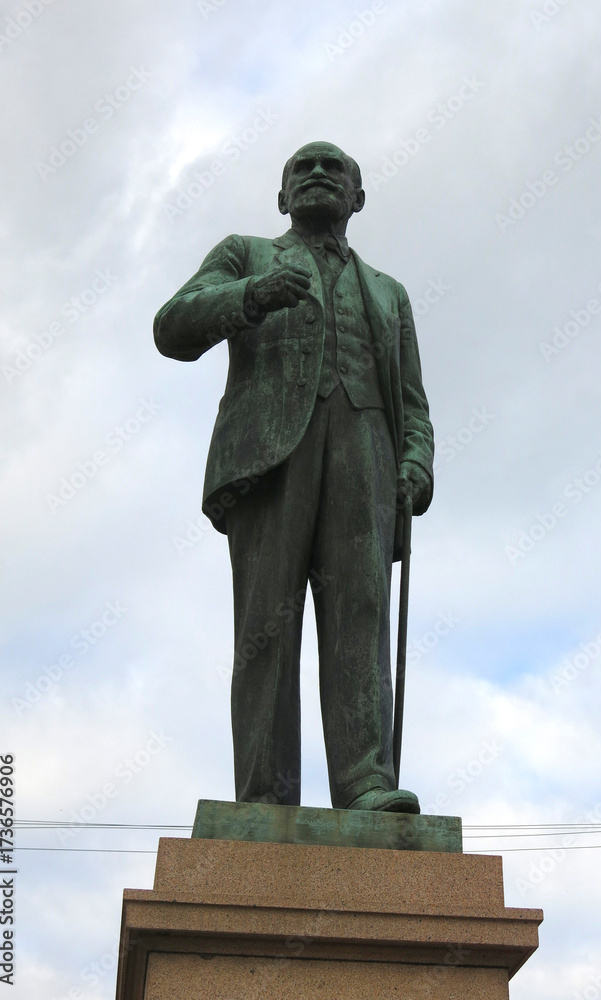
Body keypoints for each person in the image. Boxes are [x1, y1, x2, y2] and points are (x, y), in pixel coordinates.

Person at [154, 141, 434, 813]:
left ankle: (367, 782)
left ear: (356, 198)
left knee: (361, 623)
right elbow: (172, 327)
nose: (315, 175)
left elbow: (414, 403)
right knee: (266, 625)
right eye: (300, 169)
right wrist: (250, 297)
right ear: (281, 198)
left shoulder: (388, 294)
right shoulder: (245, 254)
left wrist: (416, 464)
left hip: (364, 459)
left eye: (331, 168)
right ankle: (264, 794)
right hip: (269, 457)